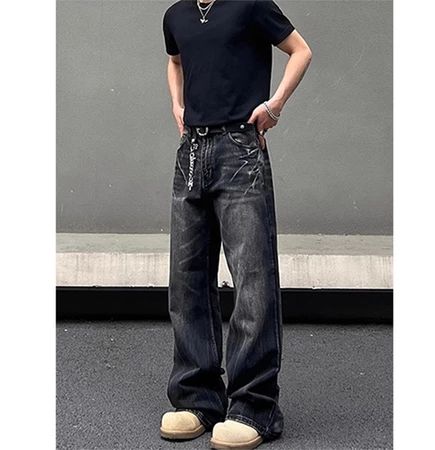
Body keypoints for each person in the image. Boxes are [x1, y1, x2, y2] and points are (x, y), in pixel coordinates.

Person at [159, 1, 312, 448]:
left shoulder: (250, 5)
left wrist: (275, 106)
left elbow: (300, 50)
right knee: (186, 279)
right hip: (192, 152)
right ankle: (197, 399)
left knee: (253, 279)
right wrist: (177, 104)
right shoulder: (176, 15)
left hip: (239, 148)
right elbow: (175, 62)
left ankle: (253, 407)